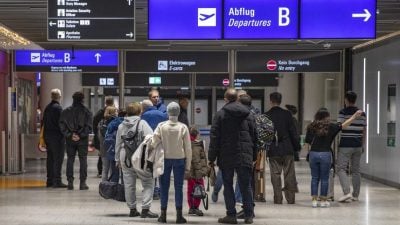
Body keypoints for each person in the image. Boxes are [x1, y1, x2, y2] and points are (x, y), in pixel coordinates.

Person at [209, 88, 257, 224]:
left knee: (228, 185)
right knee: (245, 185)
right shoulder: (249, 114)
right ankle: (249, 216)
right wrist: (253, 156)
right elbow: (255, 136)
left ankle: (231, 215)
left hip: (226, 155)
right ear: (237, 98)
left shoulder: (220, 115)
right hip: (244, 154)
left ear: (225, 99)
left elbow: (214, 138)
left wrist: (211, 158)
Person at [305, 108, 363, 208]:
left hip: (313, 154)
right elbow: (344, 125)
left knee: (314, 178)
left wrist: (309, 154)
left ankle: (314, 201)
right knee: (324, 179)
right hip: (325, 155)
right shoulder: (331, 126)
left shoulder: (311, 126)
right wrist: (354, 116)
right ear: (327, 116)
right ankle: (323, 201)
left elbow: (307, 143)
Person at [150, 102, 192, 224]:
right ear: (178, 112)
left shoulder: (161, 126)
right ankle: (179, 216)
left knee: (164, 187)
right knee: (179, 187)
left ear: (168, 112)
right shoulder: (183, 127)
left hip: (165, 159)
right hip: (179, 159)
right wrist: (188, 166)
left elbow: (153, 142)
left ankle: (163, 215)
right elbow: (188, 148)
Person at [115, 102, 158, 218]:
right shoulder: (142, 123)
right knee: (148, 181)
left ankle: (132, 209)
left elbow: (118, 144)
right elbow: (151, 139)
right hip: (140, 156)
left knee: (129, 184)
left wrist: (117, 160)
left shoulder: (121, 125)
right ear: (140, 112)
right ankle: (145, 209)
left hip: (125, 156)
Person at [266, 92, 300, 204]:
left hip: (273, 149)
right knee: (289, 174)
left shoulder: (266, 115)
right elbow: (293, 132)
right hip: (287, 148)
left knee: (275, 175)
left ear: (270, 101)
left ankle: (278, 198)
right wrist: (296, 147)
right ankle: (290, 199)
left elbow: (264, 135)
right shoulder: (287, 114)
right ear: (280, 101)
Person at [337, 91, 367, 202]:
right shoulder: (362, 114)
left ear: (346, 100)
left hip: (345, 144)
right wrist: (363, 144)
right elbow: (364, 130)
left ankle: (347, 192)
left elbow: (341, 127)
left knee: (340, 168)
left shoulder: (343, 112)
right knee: (356, 170)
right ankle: (355, 195)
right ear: (355, 99)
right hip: (358, 145)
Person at [59, 91, 93, 190]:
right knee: (83, 160)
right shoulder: (87, 111)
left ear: (73, 99)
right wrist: (81, 135)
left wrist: (70, 135)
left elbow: (62, 125)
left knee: (70, 159)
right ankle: (82, 183)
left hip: (70, 140)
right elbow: (89, 127)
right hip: (82, 140)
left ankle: (70, 182)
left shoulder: (66, 112)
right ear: (83, 99)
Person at [141, 99, 168, 200]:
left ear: (144, 107)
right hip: (162, 144)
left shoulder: (143, 116)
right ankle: (161, 190)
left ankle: (153, 190)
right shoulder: (162, 114)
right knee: (161, 167)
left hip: (149, 145)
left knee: (150, 167)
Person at [43, 88, 66, 188]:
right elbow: (61, 123)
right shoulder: (58, 108)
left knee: (50, 159)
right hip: (57, 137)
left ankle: (49, 180)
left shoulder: (47, 108)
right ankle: (57, 181)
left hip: (48, 136)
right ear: (59, 97)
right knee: (58, 159)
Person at [186, 125, 208, 217]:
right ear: (197, 135)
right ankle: (196, 207)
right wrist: (204, 170)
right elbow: (202, 159)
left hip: (190, 172)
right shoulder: (199, 145)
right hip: (198, 172)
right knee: (199, 188)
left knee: (190, 189)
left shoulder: (186, 144)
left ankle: (191, 207)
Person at [93, 96, 114, 178]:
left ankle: (100, 172)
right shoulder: (115, 115)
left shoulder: (100, 113)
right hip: (112, 142)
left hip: (101, 138)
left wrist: (96, 134)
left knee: (102, 155)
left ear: (105, 102)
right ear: (112, 103)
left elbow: (94, 123)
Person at [103, 109, 126, 183]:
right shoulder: (127, 124)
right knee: (125, 172)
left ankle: (114, 189)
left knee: (114, 171)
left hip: (112, 149)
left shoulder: (112, 123)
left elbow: (106, 136)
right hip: (125, 151)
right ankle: (123, 189)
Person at [99, 106, 118, 181]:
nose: (117, 113)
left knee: (105, 169)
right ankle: (112, 187)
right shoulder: (116, 122)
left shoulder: (101, 122)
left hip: (104, 148)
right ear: (113, 112)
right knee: (113, 170)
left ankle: (104, 187)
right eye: (116, 111)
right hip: (113, 148)